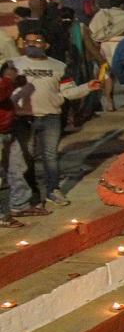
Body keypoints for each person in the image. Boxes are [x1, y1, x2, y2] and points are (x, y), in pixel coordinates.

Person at [13, 33, 101, 206]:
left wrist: (87, 87)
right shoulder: (13, 64)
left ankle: (53, 190)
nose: (33, 45)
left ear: (46, 45)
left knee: (50, 156)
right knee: (25, 159)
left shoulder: (59, 66)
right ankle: (33, 195)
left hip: (50, 117)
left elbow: (68, 92)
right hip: (23, 119)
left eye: (38, 41)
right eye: (29, 42)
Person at [1, 63, 39, 226]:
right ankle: (2, 215)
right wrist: (9, 79)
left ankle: (20, 205)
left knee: (17, 167)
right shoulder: (5, 83)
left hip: (9, 128)